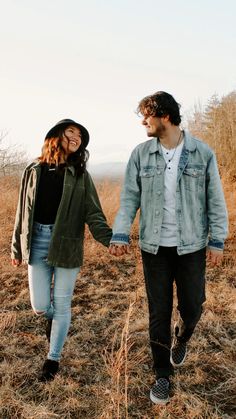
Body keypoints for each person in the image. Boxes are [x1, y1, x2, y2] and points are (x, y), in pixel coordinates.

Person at [109, 92, 228, 404]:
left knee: (193, 305)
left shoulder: (202, 153)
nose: (142, 122)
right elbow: (129, 199)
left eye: (145, 116)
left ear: (163, 115)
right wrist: (121, 234)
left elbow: (215, 200)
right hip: (154, 248)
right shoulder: (141, 154)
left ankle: (183, 337)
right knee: (158, 313)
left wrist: (217, 240)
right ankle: (162, 374)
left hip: (191, 247)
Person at [11, 119, 112, 382]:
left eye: (80, 136)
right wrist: (16, 247)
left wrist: (110, 240)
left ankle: (52, 359)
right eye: (72, 132)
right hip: (37, 241)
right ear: (56, 135)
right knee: (41, 306)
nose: (77, 138)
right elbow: (22, 212)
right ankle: (57, 321)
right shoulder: (33, 170)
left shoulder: (80, 174)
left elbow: (94, 213)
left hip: (66, 243)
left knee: (63, 303)